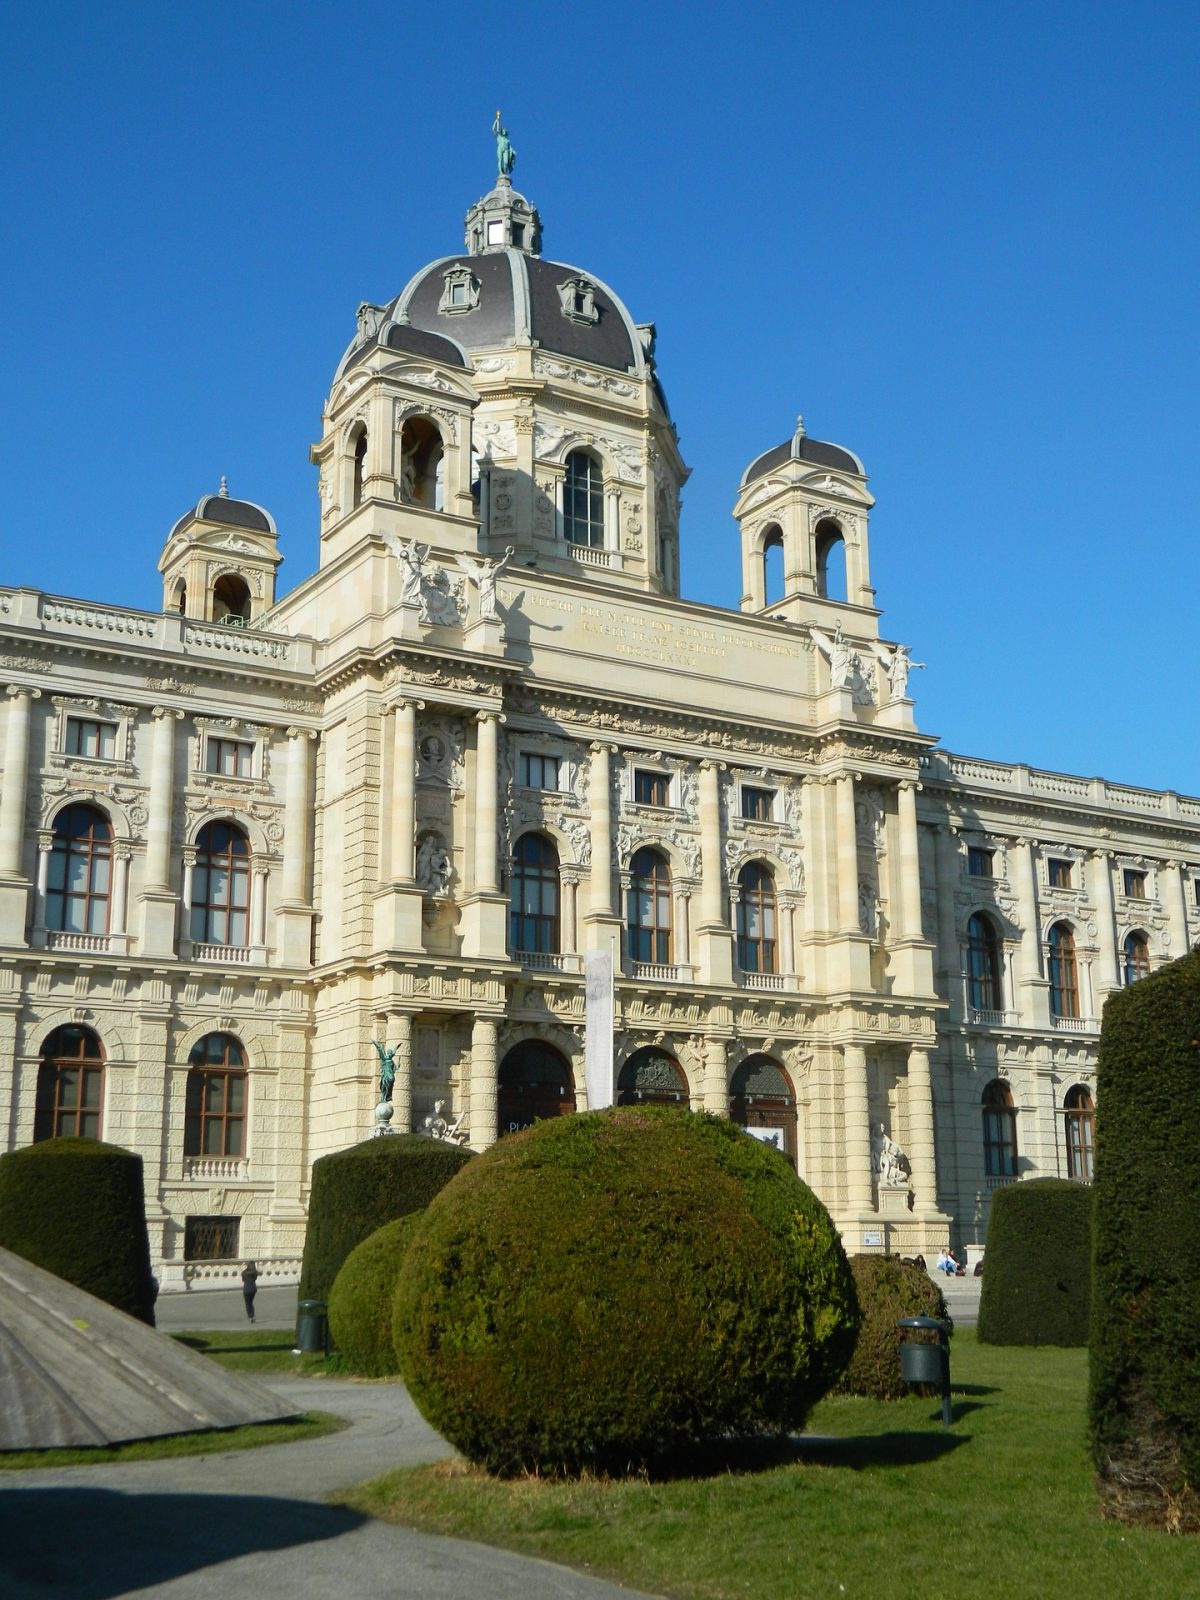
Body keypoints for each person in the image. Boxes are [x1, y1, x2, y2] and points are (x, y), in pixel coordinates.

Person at [241, 1259, 259, 1323]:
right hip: (253, 1289)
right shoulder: (255, 1272)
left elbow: (243, 1280)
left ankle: (250, 1316)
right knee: (251, 1303)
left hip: (246, 1289)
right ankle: (253, 1315)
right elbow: (255, 1278)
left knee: (248, 1304)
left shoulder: (244, 1273)